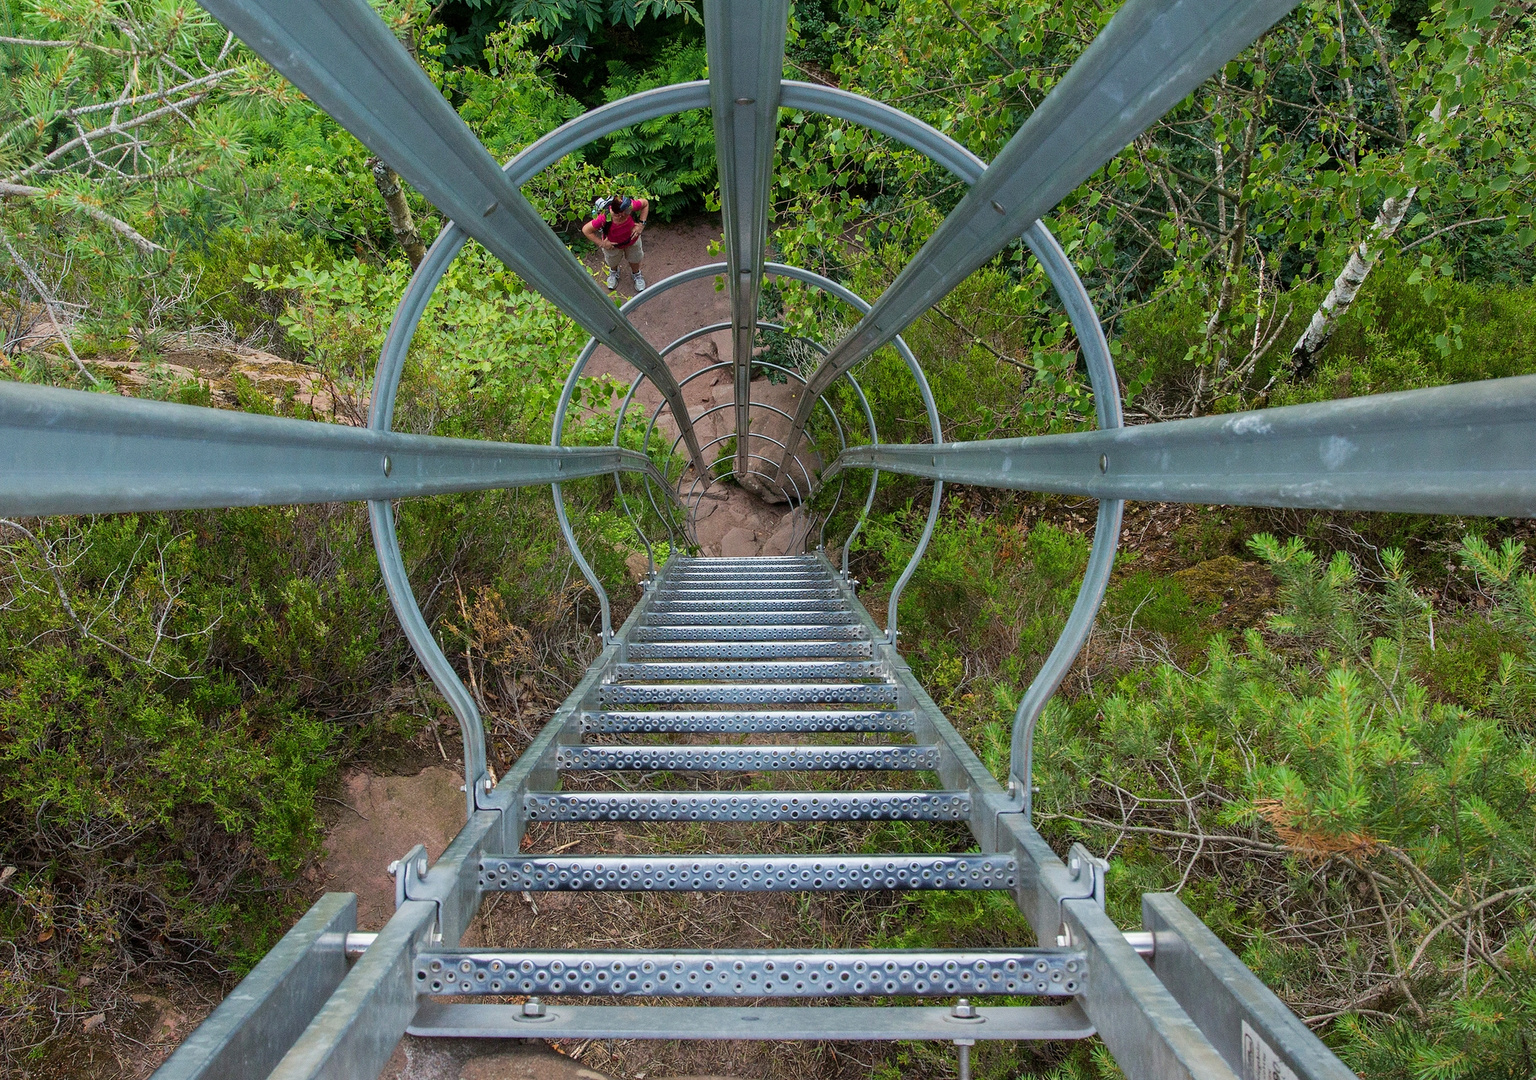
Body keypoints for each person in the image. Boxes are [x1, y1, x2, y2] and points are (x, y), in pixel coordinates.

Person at [584, 195, 649, 292]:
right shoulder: (604, 217)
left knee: (635, 258)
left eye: (626, 212)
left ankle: (636, 274)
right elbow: (586, 230)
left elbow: (645, 204)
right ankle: (613, 272)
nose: (622, 216)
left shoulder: (630, 206)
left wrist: (641, 225)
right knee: (612, 261)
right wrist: (602, 243)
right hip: (612, 246)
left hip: (632, 240)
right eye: (617, 214)